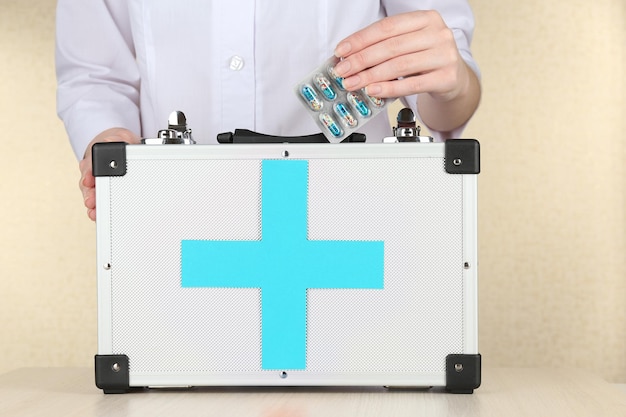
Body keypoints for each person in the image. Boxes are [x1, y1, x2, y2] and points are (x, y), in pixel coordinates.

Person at [56, 1, 481, 221]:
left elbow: (440, 100)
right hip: (175, 226)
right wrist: (108, 139)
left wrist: (453, 82)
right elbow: (96, 75)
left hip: (345, 227)